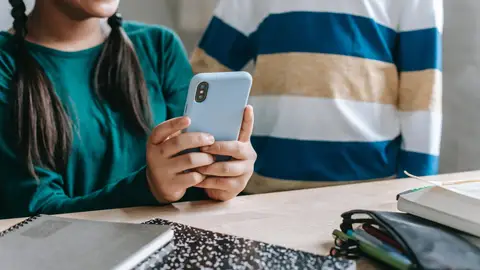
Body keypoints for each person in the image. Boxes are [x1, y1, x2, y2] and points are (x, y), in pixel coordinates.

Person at [0, 0, 256, 219]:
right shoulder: (5, 64)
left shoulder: (159, 47)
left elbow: (190, 184)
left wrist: (219, 181)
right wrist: (148, 188)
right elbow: (32, 214)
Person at [191, 0, 443, 193]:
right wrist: (215, 170)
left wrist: (417, 190)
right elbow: (205, 73)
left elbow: (422, 95)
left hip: (367, 190)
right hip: (264, 187)